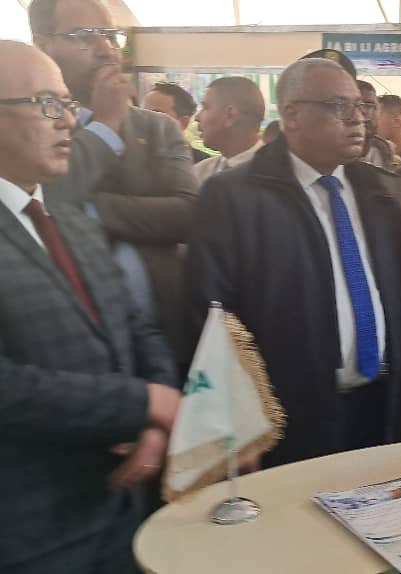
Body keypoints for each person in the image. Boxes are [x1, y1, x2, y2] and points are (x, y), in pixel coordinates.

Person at [0, 40, 181, 574]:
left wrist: (155, 421)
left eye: (67, 103)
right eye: (46, 104)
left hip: (122, 512)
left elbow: (137, 327)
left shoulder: (72, 220)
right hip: (28, 530)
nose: (68, 122)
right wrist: (144, 402)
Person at [184, 57, 401, 467]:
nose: (357, 119)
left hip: (381, 409)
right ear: (291, 115)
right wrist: (238, 421)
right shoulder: (234, 197)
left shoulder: (383, 191)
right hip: (288, 419)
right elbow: (211, 317)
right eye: (339, 106)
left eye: (361, 106)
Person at [30, 0, 199, 364]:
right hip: (66, 349)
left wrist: (87, 210)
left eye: (110, 35)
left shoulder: (157, 127)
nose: (106, 49)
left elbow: (188, 213)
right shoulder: (27, 125)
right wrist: (105, 126)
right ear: (43, 45)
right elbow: (44, 197)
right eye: (84, 36)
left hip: (164, 333)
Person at [193, 76, 265, 185]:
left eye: (205, 107)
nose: (197, 117)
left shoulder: (279, 175)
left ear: (230, 115)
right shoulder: (199, 173)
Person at [142, 80, 209, 163]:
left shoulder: (204, 165)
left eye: (156, 115)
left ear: (183, 122)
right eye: (142, 113)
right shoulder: (132, 157)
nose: (144, 120)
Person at [358, 80, 401, 172]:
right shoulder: (333, 162)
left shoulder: (398, 166)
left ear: (379, 111)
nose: (362, 113)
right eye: (357, 106)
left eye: (369, 106)